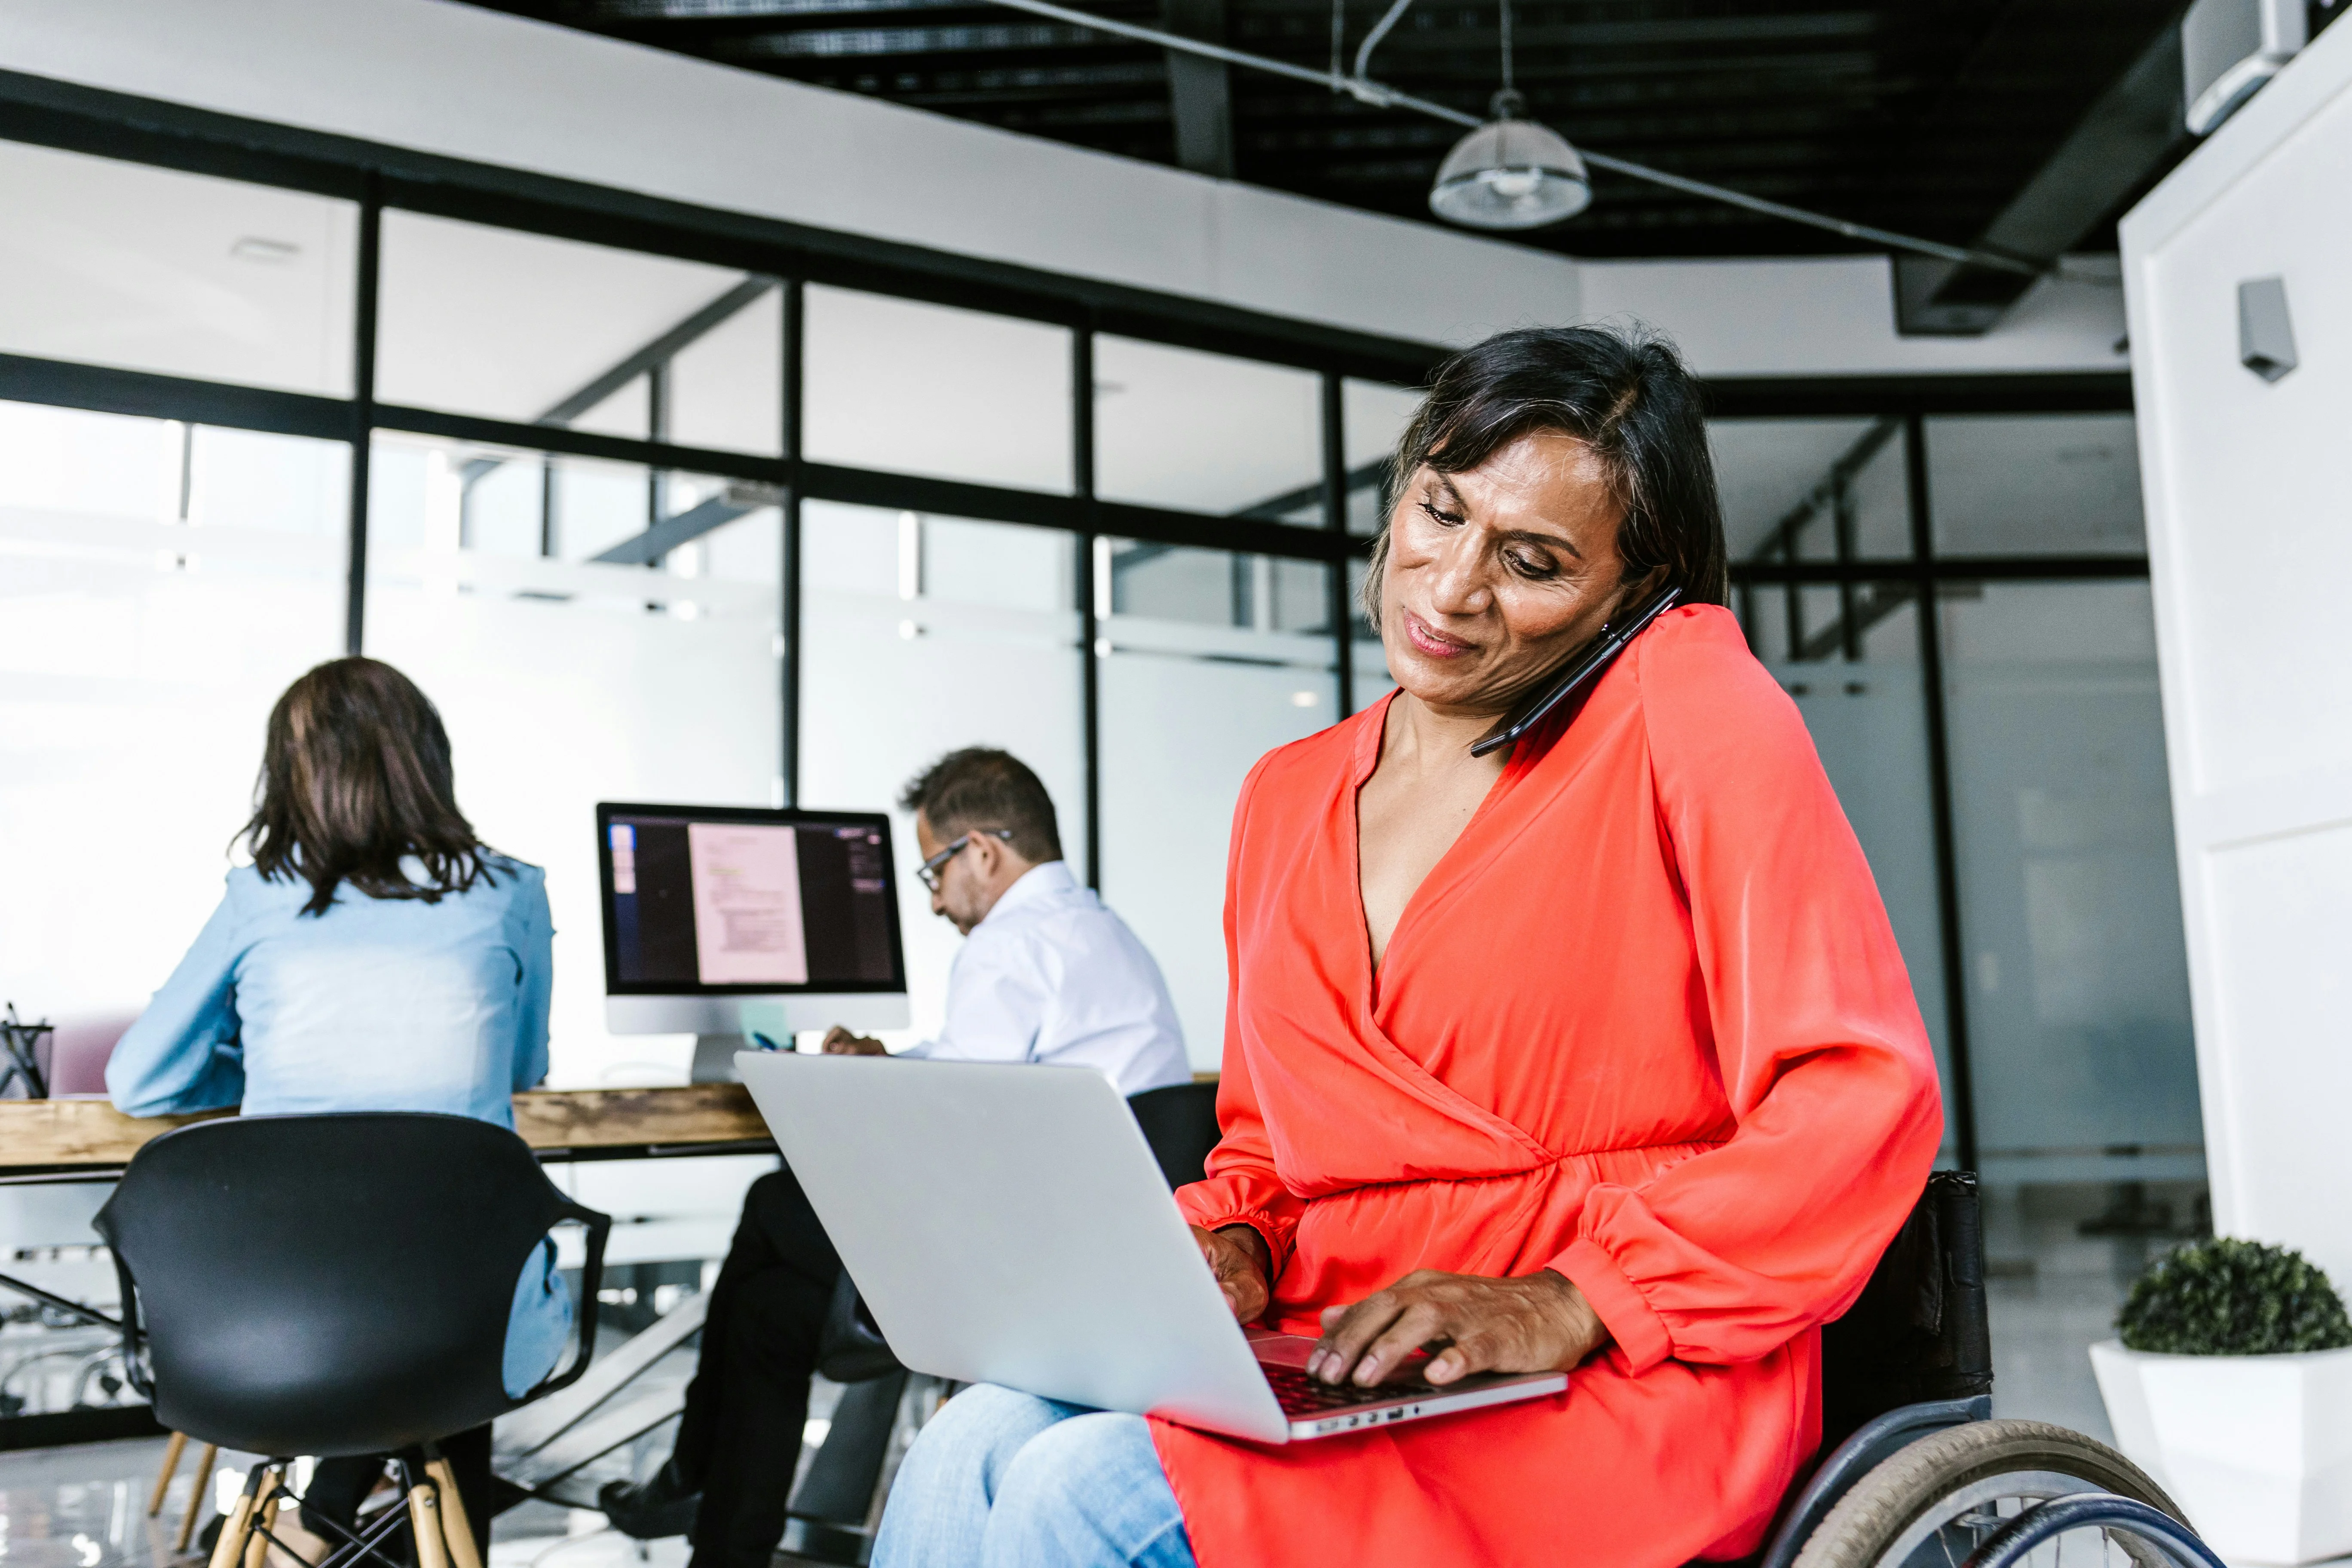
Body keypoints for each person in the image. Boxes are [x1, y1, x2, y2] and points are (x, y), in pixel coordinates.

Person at [867, 325, 1946, 1568]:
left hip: (1612, 1373)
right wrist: (1234, 1242)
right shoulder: (1287, 793)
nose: (1447, 589)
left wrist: (1572, 1297)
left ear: (1634, 592)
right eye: (1440, 512)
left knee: (1083, 1492)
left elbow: (1858, 1092)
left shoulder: (1687, 708)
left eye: (1532, 561)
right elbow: (1268, 1142)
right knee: (974, 1434)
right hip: (1343, 1345)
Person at [598, 747, 1188, 1568]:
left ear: (981, 851)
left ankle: (698, 1487)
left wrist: (856, 1091)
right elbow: (980, 1079)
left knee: (773, 1206)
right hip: (1092, 1247)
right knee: (771, 1310)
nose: (938, 901)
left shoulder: (1011, 942)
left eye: (935, 873)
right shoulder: (1101, 934)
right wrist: (889, 1066)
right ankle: (714, 1527)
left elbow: (948, 1129)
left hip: (1018, 1265)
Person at [107, 656, 564, 1558]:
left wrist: (265, 1075)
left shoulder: (259, 900)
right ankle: (363, 1523)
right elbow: (527, 1066)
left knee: (388, 1260)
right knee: (448, 1253)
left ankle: (325, 1521)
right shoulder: (513, 892)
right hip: (474, 1326)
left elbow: (142, 1084)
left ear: (291, 777)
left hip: (270, 1325)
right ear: (426, 761)